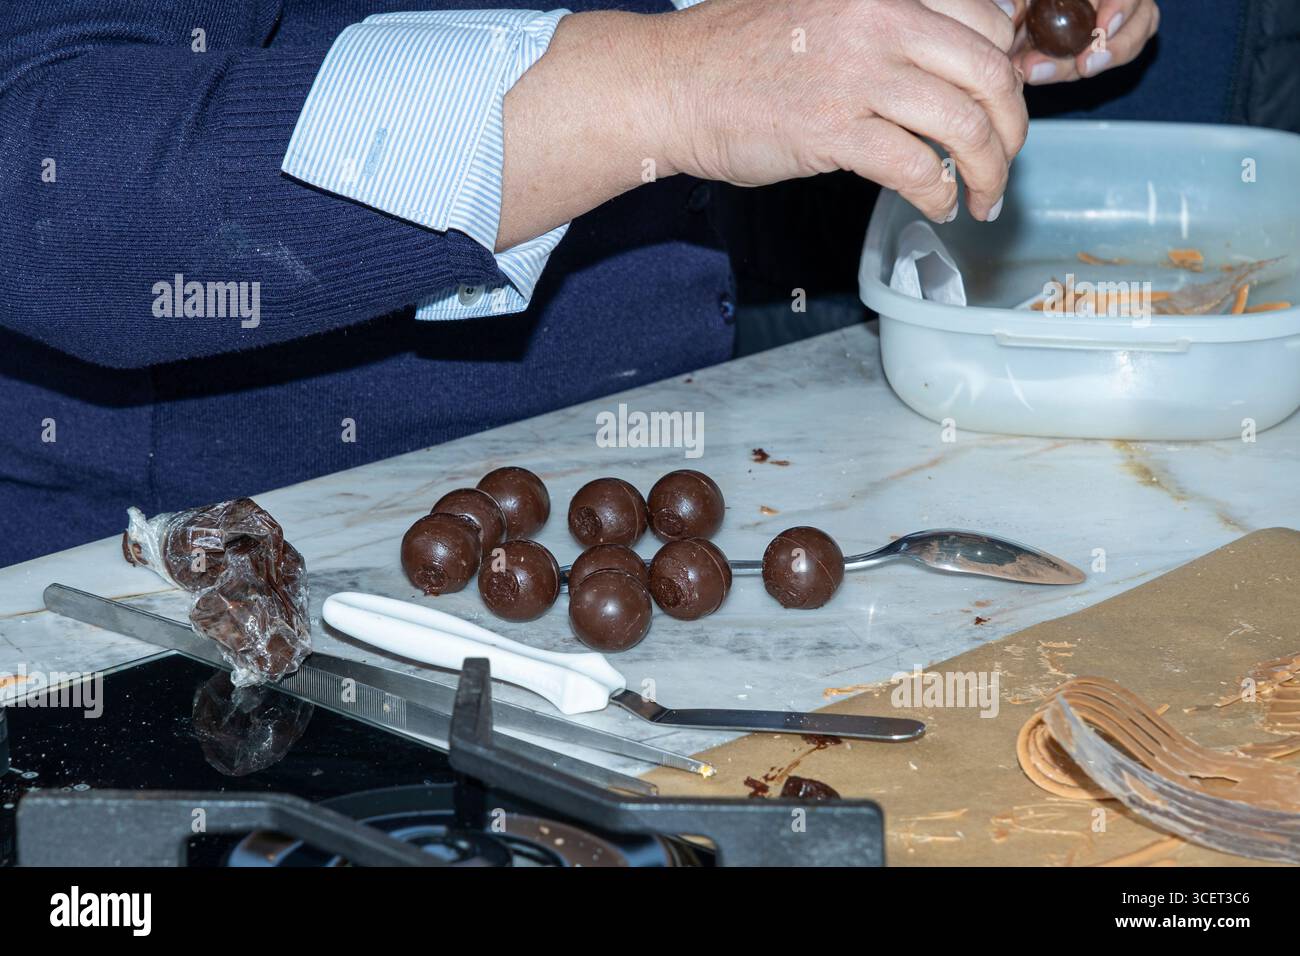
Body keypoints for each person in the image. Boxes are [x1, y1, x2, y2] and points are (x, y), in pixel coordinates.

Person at [0, 0, 1167, 567]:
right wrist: (670, 87)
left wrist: (902, 44)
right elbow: (48, 179)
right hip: (190, 597)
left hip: (672, 494)